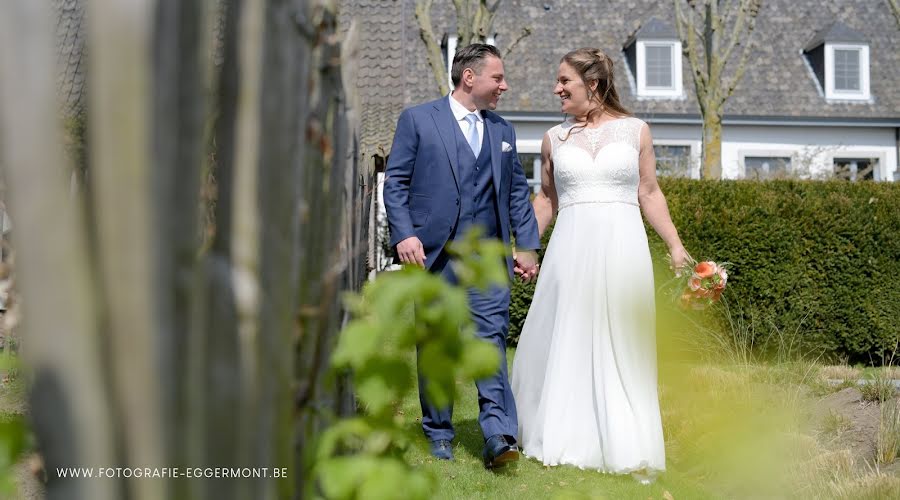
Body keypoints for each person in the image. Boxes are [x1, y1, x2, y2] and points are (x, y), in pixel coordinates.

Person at [510, 48, 689, 481]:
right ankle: (562, 436)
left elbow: (649, 192)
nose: (556, 89)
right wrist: (526, 247)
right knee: (568, 335)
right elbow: (547, 199)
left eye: (563, 82)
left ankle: (628, 441)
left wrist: (676, 245)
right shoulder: (555, 138)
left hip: (623, 247)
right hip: (570, 249)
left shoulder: (635, 131)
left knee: (624, 340)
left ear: (592, 84)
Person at [383, 43, 541, 468]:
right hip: (433, 257)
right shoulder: (418, 119)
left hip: (488, 257)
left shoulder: (502, 131)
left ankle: (497, 434)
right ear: (469, 77)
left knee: (490, 342)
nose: (504, 86)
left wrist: (526, 245)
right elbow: (395, 182)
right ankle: (438, 432)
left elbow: (514, 193)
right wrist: (405, 234)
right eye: (498, 78)